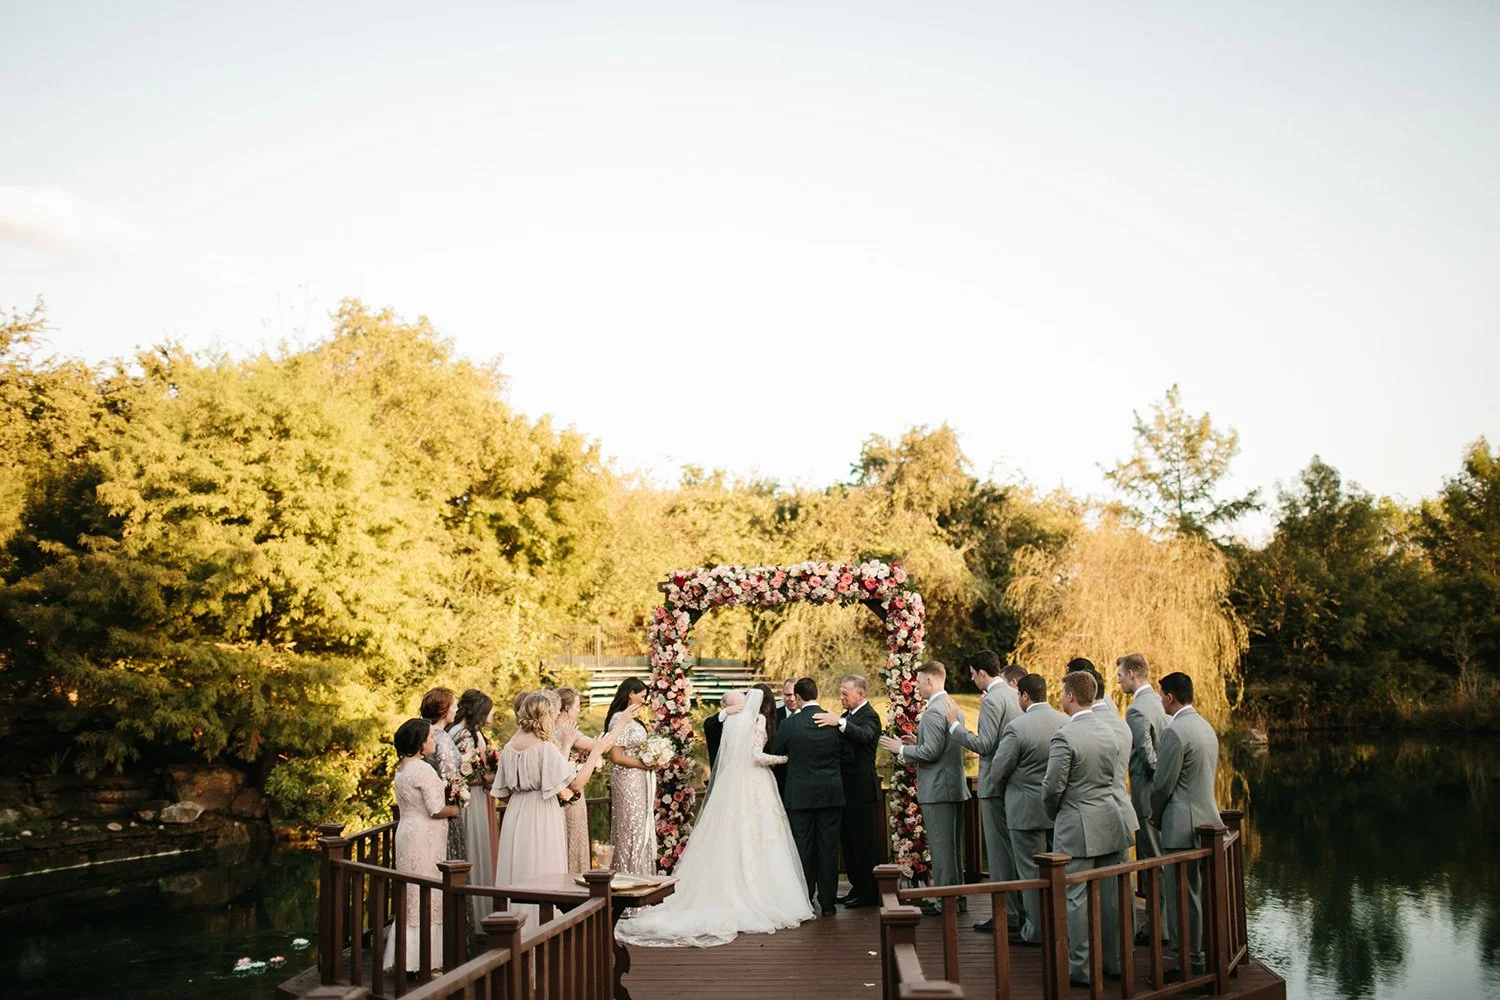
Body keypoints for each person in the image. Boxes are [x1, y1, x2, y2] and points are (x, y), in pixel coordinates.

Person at [614, 687, 813, 947]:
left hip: (732, 783)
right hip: (756, 782)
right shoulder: (757, 720)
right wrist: (785, 758)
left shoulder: (732, 720)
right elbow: (756, 756)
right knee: (761, 833)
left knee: (734, 832)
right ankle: (764, 893)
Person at [492, 692, 617, 924]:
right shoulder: (545, 748)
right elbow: (576, 783)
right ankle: (541, 929)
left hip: (515, 813)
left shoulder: (509, 747)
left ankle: (513, 928)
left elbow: (504, 793)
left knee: (518, 868)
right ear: (546, 715)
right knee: (542, 868)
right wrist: (596, 752)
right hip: (542, 812)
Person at [1043, 670, 1134, 989]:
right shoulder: (1110, 730)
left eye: (1062, 692)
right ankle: (1114, 962)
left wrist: (1056, 814)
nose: (1060, 697)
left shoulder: (1065, 736)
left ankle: (1081, 969)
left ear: (1070, 696)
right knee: (1110, 897)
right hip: (1109, 820)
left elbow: (1052, 788)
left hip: (1077, 825)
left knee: (1075, 897)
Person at [880, 661, 968, 916]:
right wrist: (918, 741)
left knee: (941, 849)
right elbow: (943, 746)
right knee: (953, 850)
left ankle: (944, 903)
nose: (917, 687)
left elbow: (931, 753)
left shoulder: (933, 712)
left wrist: (901, 749)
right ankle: (957, 899)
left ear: (930, 680)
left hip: (938, 789)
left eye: (918, 682)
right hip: (953, 786)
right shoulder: (951, 706)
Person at [1150, 671, 1222, 983]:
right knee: (1196, 893)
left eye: (1161, 695)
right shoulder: (1205, 727)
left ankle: (1187, 962)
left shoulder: (1175, 732)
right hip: (1206, 819)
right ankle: (1201, 954)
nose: (1160, 701)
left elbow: (1163, 783)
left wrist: (1155, 813)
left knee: (1181, 896)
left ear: (1170, 697)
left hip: (1181, 826)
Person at [944, 653, 1025, 932]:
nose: (971, 679)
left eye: (972, 674)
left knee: (999, 853)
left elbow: (985, 745)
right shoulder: (1015, 694)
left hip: (992, 782)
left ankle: (1007, 915)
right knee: (1013, 849)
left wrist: (955, 727)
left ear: (981, 673)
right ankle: (1021, 911)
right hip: (1014, 782)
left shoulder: (992, 699)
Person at [994, 672, 1067, 945]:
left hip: (1024, 810)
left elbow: (999, 770)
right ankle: (1060, 926)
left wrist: (1005, 792)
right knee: (1058, 871)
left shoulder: (1017, 728)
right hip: (1057, 810)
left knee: (1030, 872)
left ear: (1024, 695)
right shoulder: (1065, 722)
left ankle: (1035, 931)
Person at [384, 718, 459, 973]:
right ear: (419, 743)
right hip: (424, 835)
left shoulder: (402, 768)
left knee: (411, 893)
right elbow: (435, 809)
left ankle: (407, 958)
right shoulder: (423, 770)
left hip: (407, 832)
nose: (434, 740)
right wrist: (455, 809)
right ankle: (426, 961)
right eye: (430, 737)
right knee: (428, 892)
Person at [765, 676, 845, 916]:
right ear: (816, 694)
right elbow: (845, 753)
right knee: (828, 849)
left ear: (798, 697)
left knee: (803, 849)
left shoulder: (790, 724)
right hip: (831, 794)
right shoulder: (833, 721)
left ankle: (805, 900)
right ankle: (828, 904)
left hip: (799, 796)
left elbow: (776, 751)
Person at [813, 673, 882, 908]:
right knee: (850, 844)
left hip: (862, 793)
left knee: (864, 844)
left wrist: (839, 723)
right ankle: (857, 887)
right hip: (846, 792)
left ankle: (870, 892)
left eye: (845, 693)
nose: (841, 697)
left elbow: (865, 735)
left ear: (860, 694)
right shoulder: (847, 716)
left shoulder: (870, 716)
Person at [1118, 652, 1169, 945]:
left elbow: (1148, 757)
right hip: (1163, 797)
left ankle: (1156, 928)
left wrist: (1160, 783)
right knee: (1162, 860)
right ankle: (1167, 923)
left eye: (1120, 676)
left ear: (1132, 674)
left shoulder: (1137, 709)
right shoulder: (1161, 702)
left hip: (1148, 795)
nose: (1118, 681)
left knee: (1152, 863)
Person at [448, 689, 497, 932]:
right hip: (472, 797)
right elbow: (464, 771)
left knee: (480, 846)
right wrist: (488, 776)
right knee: (474, 845)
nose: (492, 715)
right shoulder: (463, 734)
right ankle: (477, 915)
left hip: (478, 795)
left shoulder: (470, 731)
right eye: (489, 711)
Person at [605, 677, 661, 875]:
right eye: (642, 696)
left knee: (640, 828)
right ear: (630, 694)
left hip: (639, 780)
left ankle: (643, 876)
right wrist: (645, 764)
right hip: (627, 780)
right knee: (631, 828)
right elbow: (616, 756)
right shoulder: (619, 719)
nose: (644, 701)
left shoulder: (634, 720)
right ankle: (630, 876)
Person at [554, 687, 596, 873]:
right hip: (571, 793)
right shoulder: (567, 732)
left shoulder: (551, 730)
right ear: (567, 708)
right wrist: (621, 724)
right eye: (577, 706)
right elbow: (599, 746)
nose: (579, 710)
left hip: (558, 797)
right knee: (574, 841)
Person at [420, 687, 465, 861]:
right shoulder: (442, 738)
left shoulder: (424, 734)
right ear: (443, 709)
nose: (457, 710)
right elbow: (449, 776)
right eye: (454, 706)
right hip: (444, 805)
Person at [703, 690, 743, 769]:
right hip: (721, 769)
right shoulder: (712, 723)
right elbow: (709, 726)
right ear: (723, 706)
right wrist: (726, 712)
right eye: (734, 707)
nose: (738, 710)